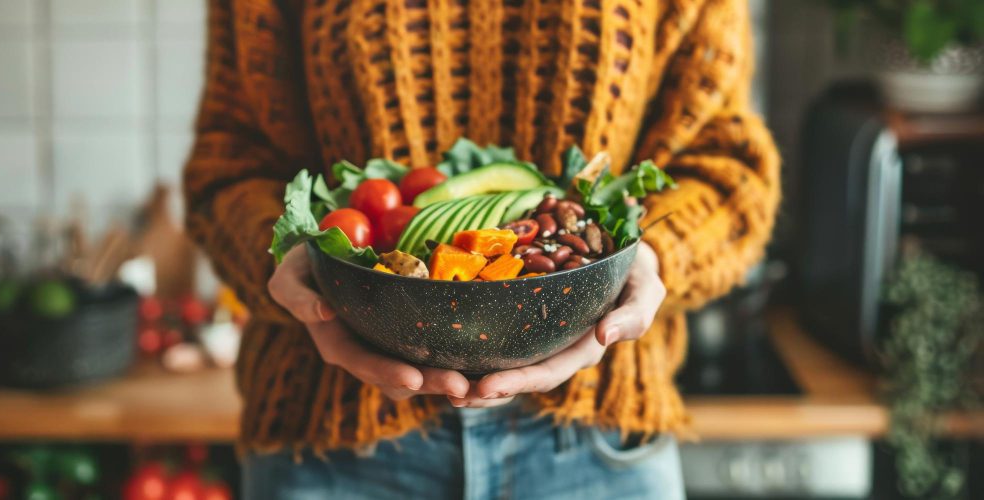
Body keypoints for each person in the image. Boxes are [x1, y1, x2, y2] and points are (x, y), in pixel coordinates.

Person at [183, 0, 780, 498]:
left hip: (596, 447)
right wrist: (296, 261)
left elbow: (728, 170)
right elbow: (229, 169)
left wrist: (646, 257)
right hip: (330, 445)